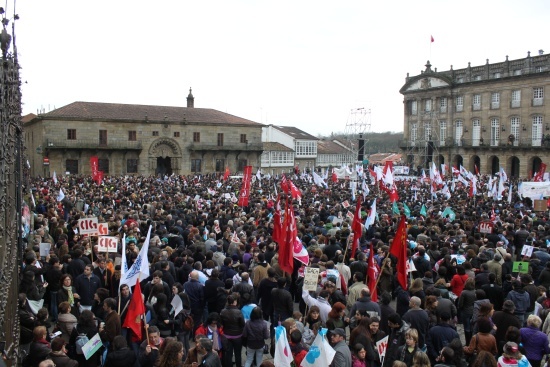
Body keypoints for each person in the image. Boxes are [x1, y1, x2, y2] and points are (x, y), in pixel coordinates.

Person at [220, 294, 244, 367]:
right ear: (234, 302)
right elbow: (242, 324)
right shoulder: (238, 312)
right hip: (237, 336)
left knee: (228, 354)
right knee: (238, 354)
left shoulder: (223, 311)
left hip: (227, 335)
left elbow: (221, 323)